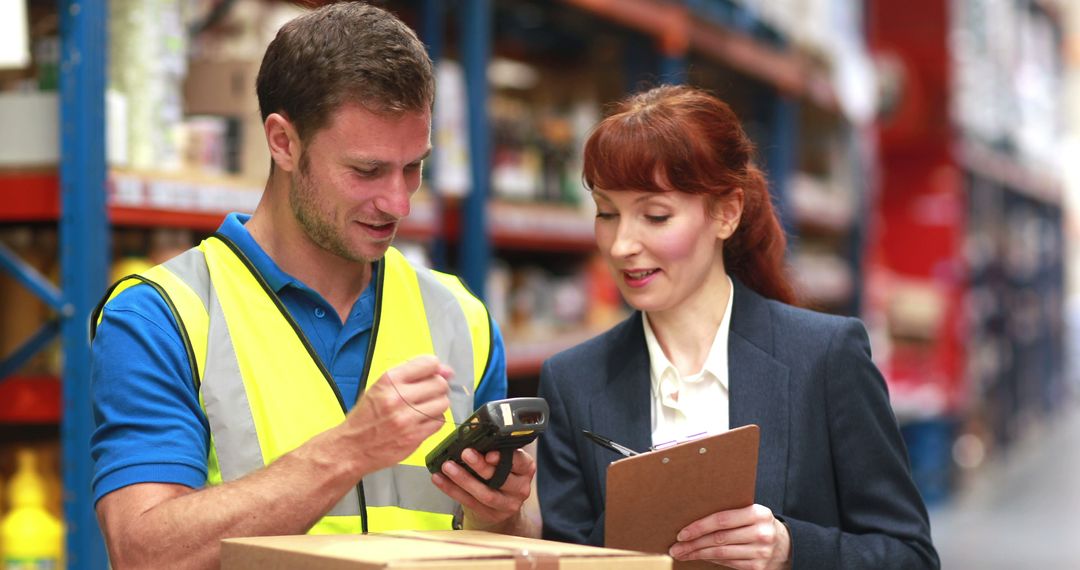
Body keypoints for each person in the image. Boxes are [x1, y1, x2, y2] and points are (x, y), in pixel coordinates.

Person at [89, 4, 536, 568]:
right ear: (284, 142)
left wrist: (503, 512)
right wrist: (347, 452)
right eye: (367, 171)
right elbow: (143, 552)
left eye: (413, 168)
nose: (398, 203)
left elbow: (516, 536)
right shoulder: (162, 316)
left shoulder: (458, 313)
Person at [536, 85, 939, 569]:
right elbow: (564, 556)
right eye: (607, 213)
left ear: (725, 213)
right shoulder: (573, 382)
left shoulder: (825, 358)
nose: (622, 245)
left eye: (655, 216)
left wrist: (790, 548)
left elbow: (910, 556)